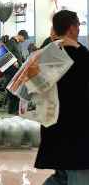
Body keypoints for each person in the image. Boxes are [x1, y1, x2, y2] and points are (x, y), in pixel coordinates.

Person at [33, 11, 89, 184]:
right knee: (78, 175)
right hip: (76, 128)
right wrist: (80, 48)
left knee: (62, 176)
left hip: (53, 122)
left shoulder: (44, 54)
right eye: (79, 26)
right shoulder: (78, 54)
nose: (79, 30)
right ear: (72, 28)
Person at [5, 30, 28, 114]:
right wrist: (13, 62)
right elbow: (6, 54)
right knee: (12, 89)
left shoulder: (19, 44)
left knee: (17, 89)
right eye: (25, 38)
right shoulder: (11, 42)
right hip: (12, 70)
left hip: (18, 70)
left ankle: (16, 108)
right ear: (20, 36)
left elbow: (20, 56)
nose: (25, 40)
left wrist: (27, 61)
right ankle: (12, 109)